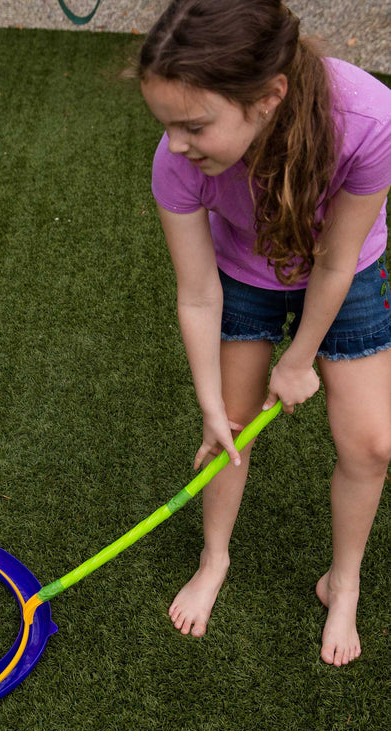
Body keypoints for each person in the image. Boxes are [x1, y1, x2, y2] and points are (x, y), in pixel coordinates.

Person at [137, 0, 391, 666]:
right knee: (230, 427)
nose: (176, 144)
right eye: (165, 125)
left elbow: (335, 261)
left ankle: (343, 581)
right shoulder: (175, 162)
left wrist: (299, 359)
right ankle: (213, 557)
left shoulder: (369, 119)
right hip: (243, 272)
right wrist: (210, 406)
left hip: (344, 271)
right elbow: (197, 293)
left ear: (268, 97)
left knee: (371, 444)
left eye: (194, 125)